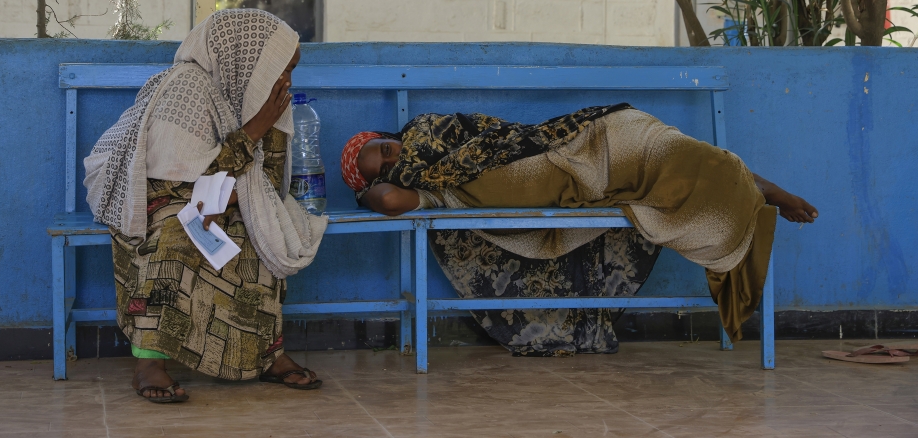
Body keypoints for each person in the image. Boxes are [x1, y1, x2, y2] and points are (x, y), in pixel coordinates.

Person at [340, 104, 817, 355]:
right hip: (590, 183)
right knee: (686, 186)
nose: (393, 158)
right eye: (380, 167)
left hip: (586, 144)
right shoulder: (436, 192)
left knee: (691, 161)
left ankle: (765, 190)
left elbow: (499, 135)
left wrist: (392, 164)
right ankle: (756, 194)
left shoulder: (433, 134)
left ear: (393, 134)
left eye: (384, 146)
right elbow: (389, 202)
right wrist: (367, 190)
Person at [83, 10, 328, 403]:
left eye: (292, 69)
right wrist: (255, 129)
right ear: (251, 59)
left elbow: (269, 178)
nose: (287, 80)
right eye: (283, 67)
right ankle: (150, 360)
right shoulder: (185, 88)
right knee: (176, 236)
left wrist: (240, 182)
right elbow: (172, 180)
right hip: (155, 196)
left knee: (259, 232)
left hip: (225, 192)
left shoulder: (262, 97)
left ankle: (267, 354)